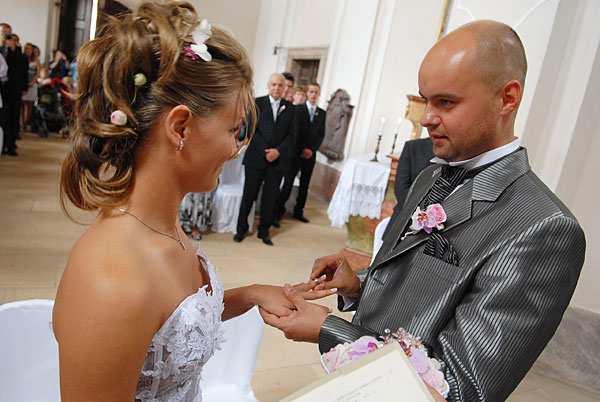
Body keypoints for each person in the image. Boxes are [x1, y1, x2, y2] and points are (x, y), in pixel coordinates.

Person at [260, 20, 586, 402]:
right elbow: (425, 294)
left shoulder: (544, 228)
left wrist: (328, 329)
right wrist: (359, 285)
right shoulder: (432, 174)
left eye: (445, 102)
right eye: (425, 100)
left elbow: (463, 388)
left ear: (507, 98)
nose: (426, 117)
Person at [52, 3, 307, 401]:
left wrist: (252, 293)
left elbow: (171, 325)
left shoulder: (163, 224)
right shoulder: (112, 282)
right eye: (233, 129)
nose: (236, 149)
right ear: (180, 128)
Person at [234, 73, 295, 245]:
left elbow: (292, 135)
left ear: (284, 88)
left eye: (280, 85)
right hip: (256, 158)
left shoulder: (290, 108)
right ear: (269, 85)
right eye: (274, 84)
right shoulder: (257, 103)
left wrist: (277, 151)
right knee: (249, 195)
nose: (277, 88)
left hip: (277, 161)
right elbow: (251, 130)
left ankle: (264, 231)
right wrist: (265, 151)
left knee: (270, 198)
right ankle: (241, 229)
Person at [275, 82, 326, 225]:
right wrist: (303, 148)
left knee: (305, 184)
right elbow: (295, 132)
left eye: (316, 92)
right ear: (307, 93)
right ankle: (278, 212)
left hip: (310, 155)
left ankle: (299, 211)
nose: (313, 95)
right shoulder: (298, 109)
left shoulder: (322, 113)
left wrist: (311, 150)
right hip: (295, 152)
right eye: (311, 92)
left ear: (319, 94)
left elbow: (321, 134)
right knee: (288, 182)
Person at [381, 137, 434, 240]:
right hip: (402, 220)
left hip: (434, 230)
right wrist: (420, 213)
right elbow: (401, 188)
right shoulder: (413, 147)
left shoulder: (457, 153)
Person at [0, 23, 27, 156]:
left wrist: (13, 49)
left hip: (13, 89)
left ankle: (11, 145)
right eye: (2, 33)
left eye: (8, 34)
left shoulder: (17, 51)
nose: (5, 37)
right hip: (1, 89)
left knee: (13, 116)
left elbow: (22, 70)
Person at [22, 42, 41, 130]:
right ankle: (22, 122)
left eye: (29, 49)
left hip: (32, 84)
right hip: (24, 83)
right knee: (23, 104)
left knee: (30, 105)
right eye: (26, 48)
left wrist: (33, 82)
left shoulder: (36, 61)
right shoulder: (23, 59)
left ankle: (26, 123)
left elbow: (38, 73)